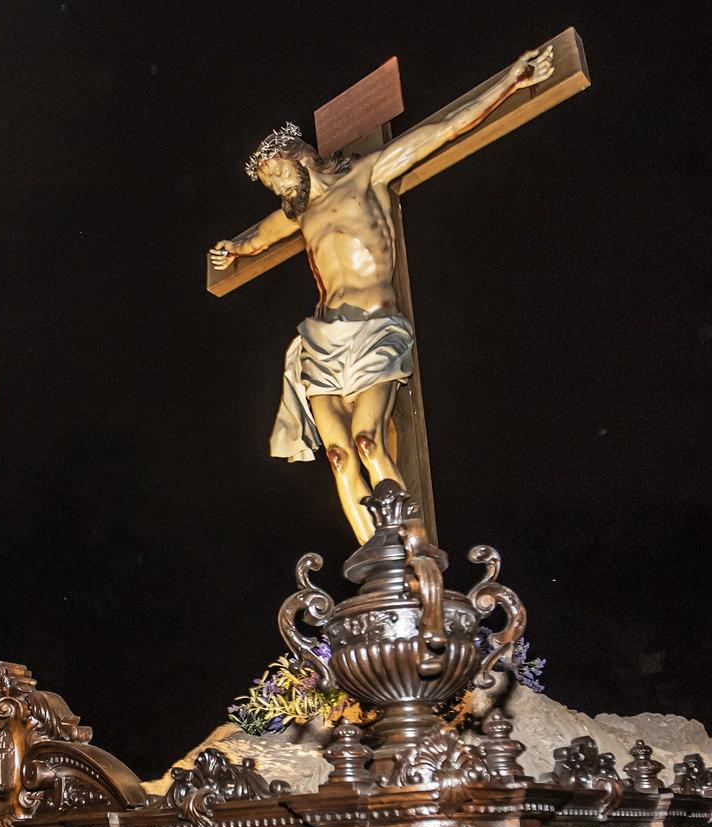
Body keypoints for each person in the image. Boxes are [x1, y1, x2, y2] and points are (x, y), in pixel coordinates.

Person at [208, 43, 556, 541]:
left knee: (370, 443)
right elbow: (252, 240)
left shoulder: (366, 173)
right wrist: (231, 251)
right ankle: (374, 561)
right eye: (269, 184)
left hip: (375, 328)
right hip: (323, 339)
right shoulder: (298, 213)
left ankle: (408, 552)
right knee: (338, 455)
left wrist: (510, 83)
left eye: (277, 175)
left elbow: (443, 130)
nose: (276, 189)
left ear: (299, 159)